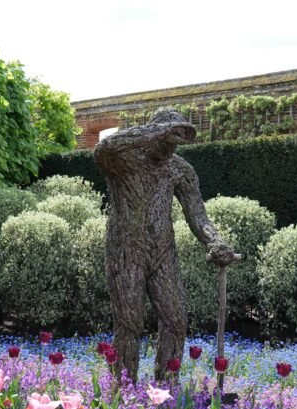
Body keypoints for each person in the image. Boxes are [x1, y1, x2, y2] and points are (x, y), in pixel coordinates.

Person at [93, 108, 237, 382]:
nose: (170, 149)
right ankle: (122, 392)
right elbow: (103, 148)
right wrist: (157, 131)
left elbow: (197, 214)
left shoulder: (179, 169)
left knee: (176, 319)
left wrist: (214, 241)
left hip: (162, 253)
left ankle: (166, 389)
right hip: (126, 251)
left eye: (174, 143)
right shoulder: (124, 160)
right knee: (129, 323)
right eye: (166, 141)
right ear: (153, 135)